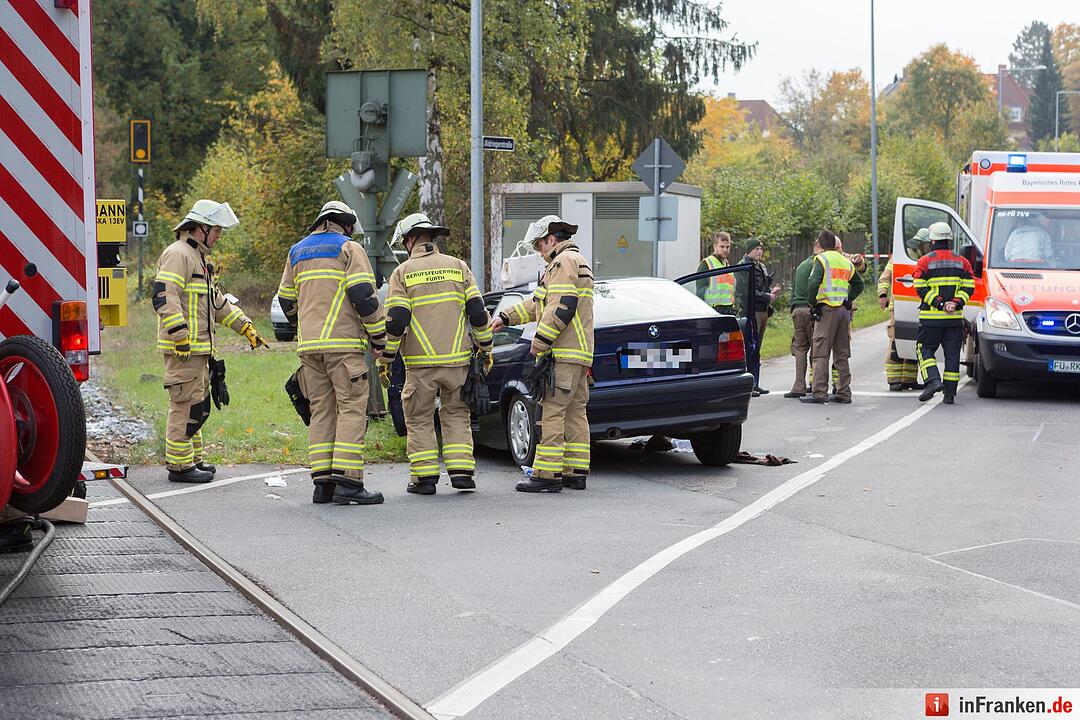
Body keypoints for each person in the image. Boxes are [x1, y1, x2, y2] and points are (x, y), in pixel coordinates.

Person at [277, 201, 386, 505]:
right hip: (343, 345)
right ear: (346, 224)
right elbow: (364, 296)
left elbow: (286, 300)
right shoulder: (349, 249)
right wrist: (378, 338)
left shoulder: (296, 251)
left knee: (321, 410)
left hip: (310, 348)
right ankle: (349, 482)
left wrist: (306, 325)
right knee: (351, 407)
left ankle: (323, 484)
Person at [377, 213, 493, 495]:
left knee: (418, 418)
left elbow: (397, 320)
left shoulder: (402, 273)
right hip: (457, 362)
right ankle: (462, 472)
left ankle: (425, 478)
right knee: (456, 414)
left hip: (420, 364)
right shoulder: (459, 267)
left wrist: (386, 359)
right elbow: (478, 312)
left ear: (410, 239)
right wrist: (486, 348)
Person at [153, 200, 268, 483]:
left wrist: (246, 327)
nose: (218, 236)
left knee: (197, 404)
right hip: (184, 350)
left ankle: (192, 460)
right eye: (216, 230)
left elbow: (217, 305)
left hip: (198, 350)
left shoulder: (199, 259)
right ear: (200, 228)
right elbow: (163, 295)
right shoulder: (178, 254)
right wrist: (180, 336)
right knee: (184, 405)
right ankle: (179, 467)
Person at [491, 215, 594, 493]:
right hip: (579, 355)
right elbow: (539, 305)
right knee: (574, 413)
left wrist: (541, 341)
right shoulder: (576, 261)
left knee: (551, 411)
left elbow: (561, 307)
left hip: (561, 354)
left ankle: (547, 475)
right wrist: (506, 317)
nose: (539, 252)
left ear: (552, 240)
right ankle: (576, 471)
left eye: (539, 245)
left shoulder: (561, 263)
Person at [914, 222, 975, 405]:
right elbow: (969, 287)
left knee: (924, 349)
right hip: (954, 320)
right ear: (949, 239)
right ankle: (949, 394)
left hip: (931, 319)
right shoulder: (962, 262)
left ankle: (933, 381)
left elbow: (920, 288)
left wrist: (939, 303)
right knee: (952, 354)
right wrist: (955, 303)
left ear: (932, 240)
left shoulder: (924, 261)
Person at [800, 230, 863, 404]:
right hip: (843, 311)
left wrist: (813, 303)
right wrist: (849, 299)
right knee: (842, 354)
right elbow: (859, 284)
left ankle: (819, 392)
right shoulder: (845, 261)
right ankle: (844, 392)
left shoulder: (822, 259)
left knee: (820, 353)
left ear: (820, 244)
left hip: (827, 310)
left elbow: (813, 283)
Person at [737, 239, 781, 396]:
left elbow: (762, 287)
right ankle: (749, 385)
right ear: (749, 250)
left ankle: (756, 383)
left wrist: (771, 290)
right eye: (756, 249)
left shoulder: (760, 266)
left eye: (761, 249)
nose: (759, 252)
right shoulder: (743, 266)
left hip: (763, 310)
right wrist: (767, 296)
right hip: (751, 311)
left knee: (758, 348)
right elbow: (747, 292)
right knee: (750, 347)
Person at [784, 240, 821, 398]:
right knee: (817, 349)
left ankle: (799, 386)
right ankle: (817, 385)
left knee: (800, 348)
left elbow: (793, 290)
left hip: (797, 310)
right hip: (811, 310)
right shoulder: (819, 265)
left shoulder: (801, 265)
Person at [878, 254, 920, 391]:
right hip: (899, 305)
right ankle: (894, 380)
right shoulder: (899, 256)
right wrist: (883, 295)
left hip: (917, 305)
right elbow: (885, 277)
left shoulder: (922, 256)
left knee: (914, 342)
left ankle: (909, 380)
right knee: (896, 343)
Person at [695, 231, 737, 315]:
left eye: (727, 247)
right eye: (722, 246)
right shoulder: (706, 264)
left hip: (728, 310)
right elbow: (699, 291)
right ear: (715, 246)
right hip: (712, 311)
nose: (725, 250)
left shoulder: (727, 265)